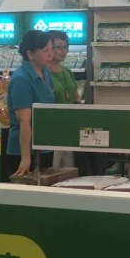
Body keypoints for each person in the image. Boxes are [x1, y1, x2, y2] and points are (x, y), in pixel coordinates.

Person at [6, 30, 55, 180]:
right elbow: (24, 122)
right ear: (30, 54)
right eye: (45, 50)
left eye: (52, 49)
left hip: (44, 146)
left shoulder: (46, 73)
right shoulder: (21, 79)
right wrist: (26, 158)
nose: (50, 54)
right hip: (24, 151)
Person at [47, 30, 80, 170]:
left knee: (68, 170)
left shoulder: (68, 72)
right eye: (59, 47)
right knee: (52, 169)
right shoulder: (43, 72)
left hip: (68, 128)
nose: (64, 51)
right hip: (52, 129)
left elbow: (75, 97)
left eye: (66, 47)